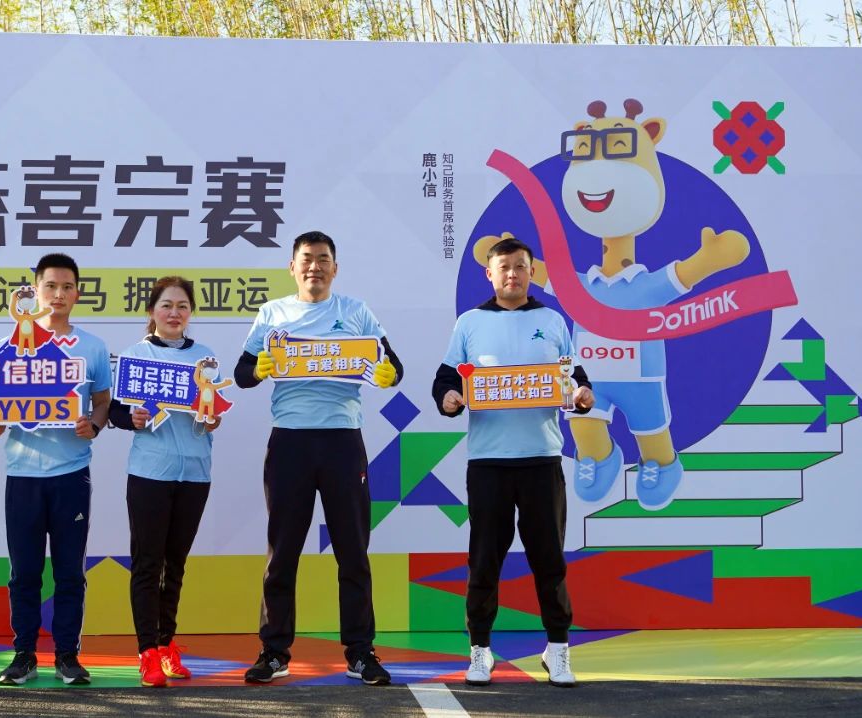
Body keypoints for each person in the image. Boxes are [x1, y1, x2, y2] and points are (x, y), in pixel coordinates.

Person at [234, 230, 402, 686]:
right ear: (292, 267)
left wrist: (387, 374)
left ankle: (360, 651)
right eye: (306, 258)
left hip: (342, 441)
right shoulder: (273, 313)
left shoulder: (356, 312)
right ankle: (274, 651)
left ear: (335, 267)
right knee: (282, 551)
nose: (315, 266)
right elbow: (242, 373)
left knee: (353, 551)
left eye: (323, 259)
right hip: (289, 441)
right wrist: (260, 368)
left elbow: (394, 367)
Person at [431, 237, 594, 689]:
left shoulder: (552, 320)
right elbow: (446, 379)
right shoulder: (470, 323)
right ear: (490, 274)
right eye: (504, 267)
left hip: (541, 460)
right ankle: (480, 649)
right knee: (484, 560)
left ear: (532, 272)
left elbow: (574, 378)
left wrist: (583, 395)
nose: (512, 274)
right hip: (488, 462)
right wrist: (449, 398)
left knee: (549, 559)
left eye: (520, 266)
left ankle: (557, 649)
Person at [0, 253, 112, 686]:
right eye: (50, 286)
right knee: (24, 573)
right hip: (22, 473)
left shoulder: (92, 347)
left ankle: (67, 656)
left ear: (77, 293)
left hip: (71, 474)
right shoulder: (12, 345)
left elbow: (102, 401)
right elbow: (0, 409)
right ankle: (23, 654)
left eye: (67, 287)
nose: (58, 294)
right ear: (34, 292)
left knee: (69, 572)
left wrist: (93, 424)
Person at [108, 276, 226, 688]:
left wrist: (213, 419)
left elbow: (211, 411)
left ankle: (166, 643)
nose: (174, 313)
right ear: (152, 311)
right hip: (149, 473)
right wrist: (133, 419)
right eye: (166, 305)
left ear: (190, 313)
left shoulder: (205, 357)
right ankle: (147, 652)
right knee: (147, 563)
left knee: (175, 563)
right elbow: (116, 412)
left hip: (195, 472)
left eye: (182, 306)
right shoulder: (135, 356)